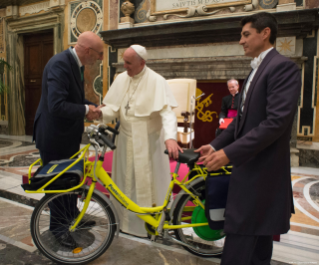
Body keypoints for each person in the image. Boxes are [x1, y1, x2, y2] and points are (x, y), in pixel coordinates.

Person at [196, 12, 300, 264]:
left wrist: (228, 154)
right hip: (250, 174)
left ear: (265, 33)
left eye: (246, 34)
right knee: (256, 250)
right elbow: (240, 123)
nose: (240, 41)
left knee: (239, 248)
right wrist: (215, 144)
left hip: (262, 176)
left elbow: (275, 124)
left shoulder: (282, 67)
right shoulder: (256, 69)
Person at [99, 45, 182, 237]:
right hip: (124, 140)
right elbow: (113, 109)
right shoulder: (121, 78)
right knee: (123, 183)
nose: (124, 66)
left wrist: (170, 138)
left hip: (148, 142)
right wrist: (100, 112)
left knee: (146, 185)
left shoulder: (157, 81)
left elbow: (167, 113)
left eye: (128, 63)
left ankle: (146, 226)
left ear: (142, 63)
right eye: (124, 61)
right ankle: (123, 222)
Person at [33, 31, 103, 247]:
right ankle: (59, 229)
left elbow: (71, 97)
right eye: (100, 54)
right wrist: (84, 109)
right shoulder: (60, 64)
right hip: (54, 136)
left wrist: (89, 107)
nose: (101, 58)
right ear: (88, 51)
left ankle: (72, 215)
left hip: (67, 135)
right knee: (58, 184)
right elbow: (56, 105)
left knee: (72, 178)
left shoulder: (74, 63)